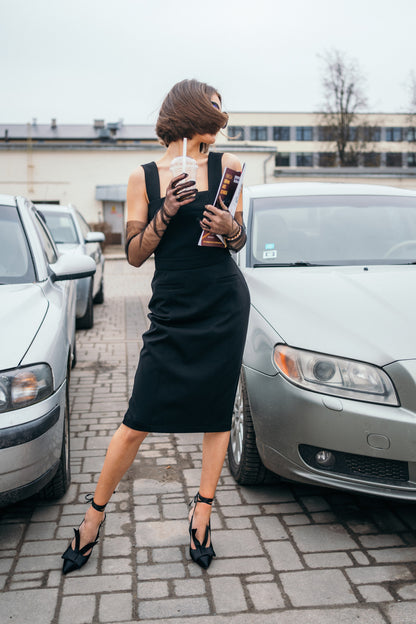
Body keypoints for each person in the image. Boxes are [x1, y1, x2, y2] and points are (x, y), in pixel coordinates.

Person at [61, 79, 250, 574]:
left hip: (223, 305)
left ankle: (202, 514)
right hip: (171, 312)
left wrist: (228, 228)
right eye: (215, 106)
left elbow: (240, 240)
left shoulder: (227, 168)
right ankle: (92, 517)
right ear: (190, 110)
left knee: (215, 416)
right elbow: (134, 255)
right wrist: (167, 208)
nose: (221, 115)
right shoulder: (142, 177)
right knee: (136, 421)